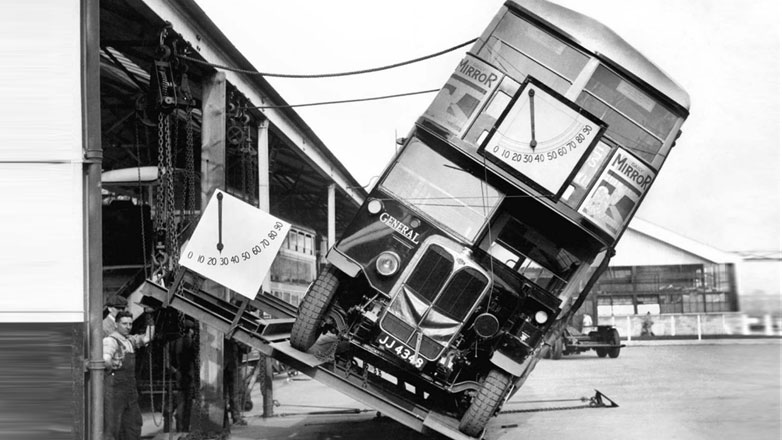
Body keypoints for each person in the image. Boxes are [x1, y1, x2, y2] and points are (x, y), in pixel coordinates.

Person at [103, 310, 152, 440]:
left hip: (130, 390)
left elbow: (147, 338)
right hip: (115, 390)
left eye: (130, 324)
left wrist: (150, 319)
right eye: (124, 324)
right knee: (113, 427)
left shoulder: (129, 340)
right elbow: (105, 359)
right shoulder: (111, 340)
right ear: (116, 324)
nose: (128, 327)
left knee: (133, 425)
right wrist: (113, 366)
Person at [168, 319, 197, 432]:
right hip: (189, 375)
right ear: (190, 330)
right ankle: (186, 428)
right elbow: (195, 358)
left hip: (179, 375)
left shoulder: (174, 342)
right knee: (188, 403)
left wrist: (176, 371)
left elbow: (169, 363)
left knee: (180, 402)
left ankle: (179, 427)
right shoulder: (191, 343)